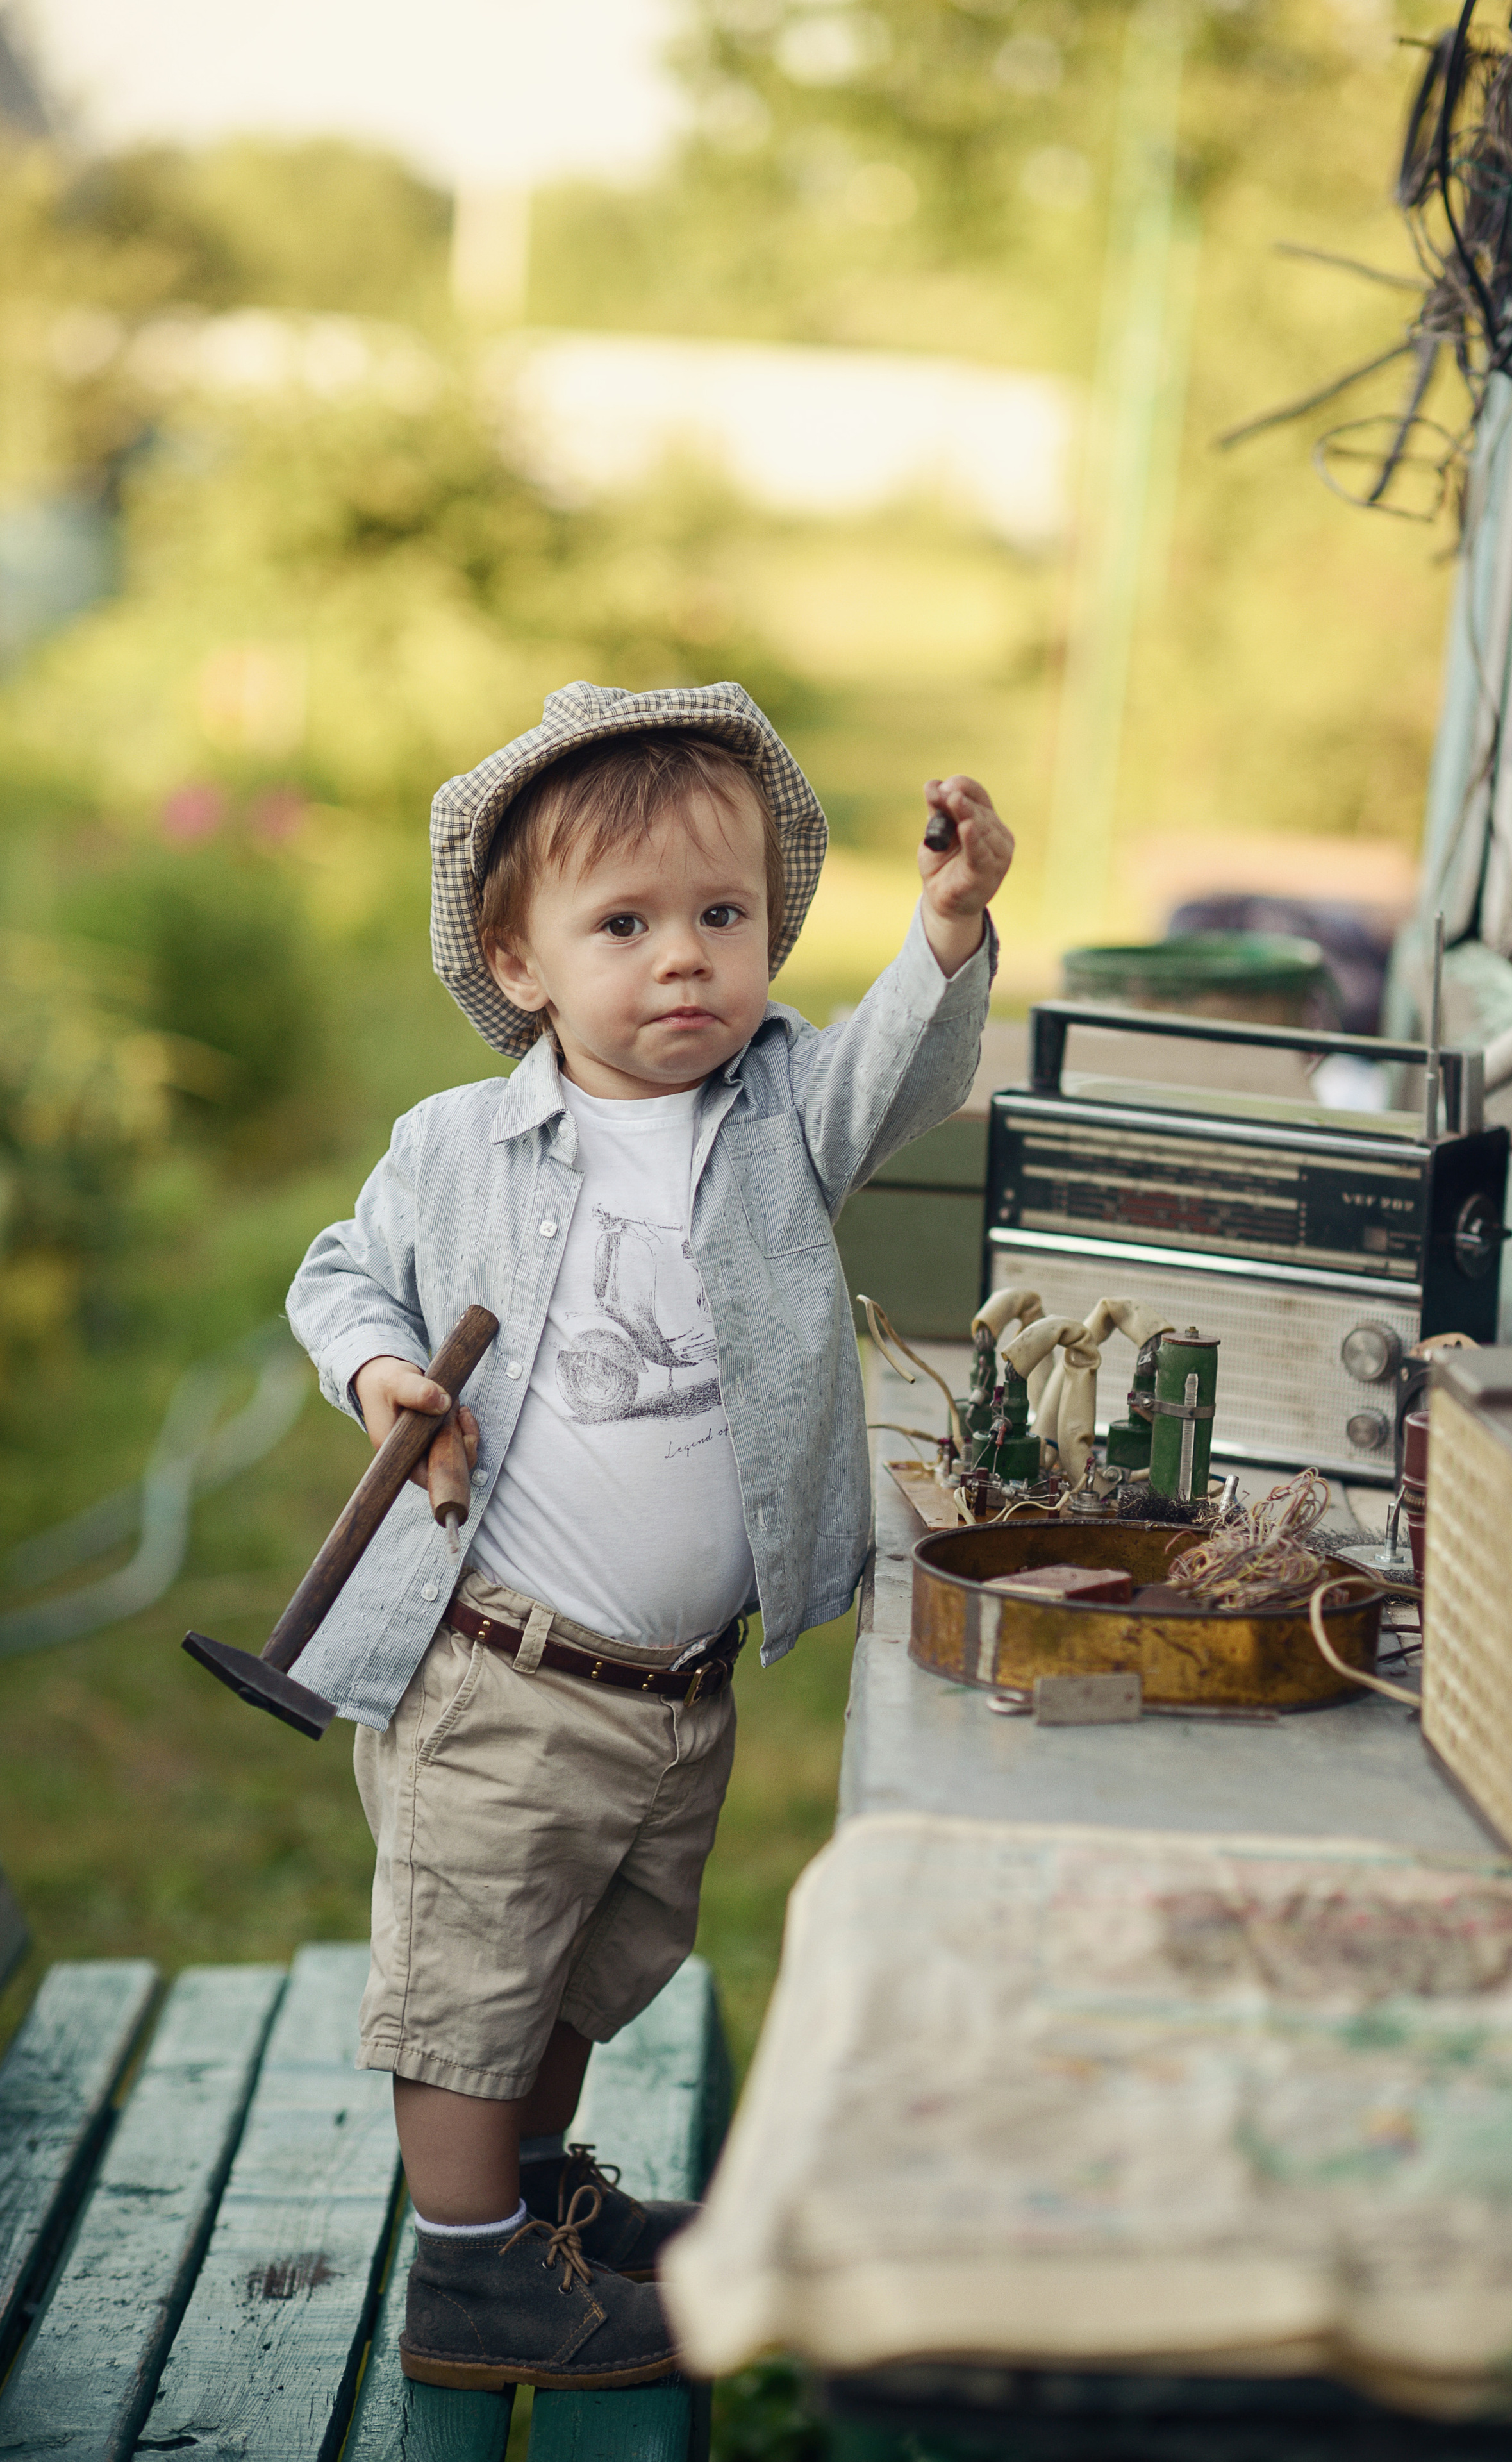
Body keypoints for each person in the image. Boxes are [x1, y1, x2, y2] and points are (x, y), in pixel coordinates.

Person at [286, 680, 1012, 2393]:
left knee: (578, 1972)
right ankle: (468, 2278)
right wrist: (385, 1373)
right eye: (625, 925)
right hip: (499, 1674)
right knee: (474, 1981)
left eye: (723, 917)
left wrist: (950, 930)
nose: (685, 959)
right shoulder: (456, 1146)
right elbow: (341, 1274)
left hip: (671, 1690)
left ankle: (537, 2204)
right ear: (522, 959)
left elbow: (900, 1067)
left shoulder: (783, 1112)